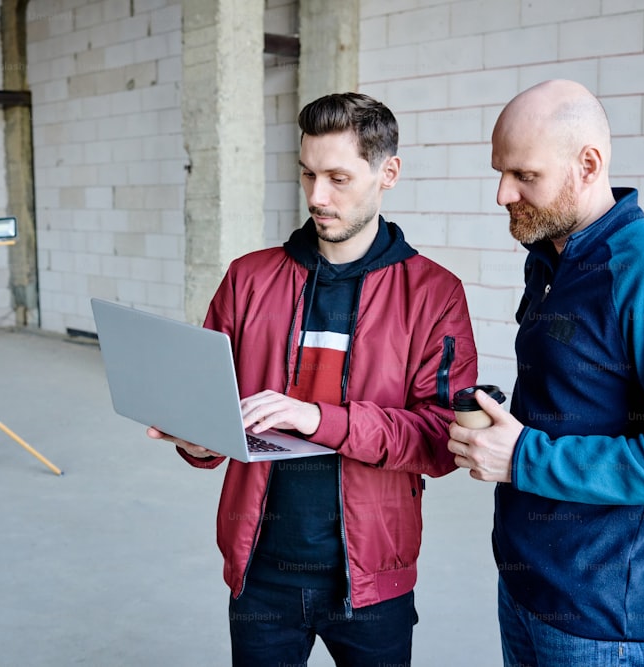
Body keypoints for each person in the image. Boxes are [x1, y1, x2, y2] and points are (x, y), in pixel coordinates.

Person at [147, 92, 478, 666]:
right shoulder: (247, 279)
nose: (317, 197)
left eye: (338, 178)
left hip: (373, 576)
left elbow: (438, 440)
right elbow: (210, 406)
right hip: (261, 569)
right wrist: (198, 441)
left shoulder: (433, 294)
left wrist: (318, 419)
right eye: (307, 174)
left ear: (388, 173)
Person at [447, 79, 644, 665]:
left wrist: (525, 457)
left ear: (588, 164)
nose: (502, 193)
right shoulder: (550, 256)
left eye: (524, 175)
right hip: (526, 584)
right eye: (499, 171)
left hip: (600, 617)